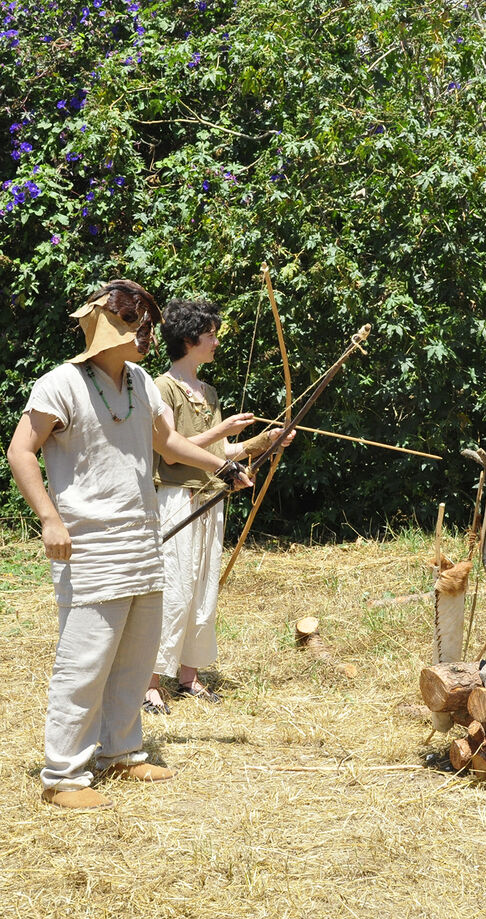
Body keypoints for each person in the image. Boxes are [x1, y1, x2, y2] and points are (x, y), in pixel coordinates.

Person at [7, 280, 252, 811]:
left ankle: (121, 751)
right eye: (134, 325)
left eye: (147, 325)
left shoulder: (142, 381)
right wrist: (49, 517)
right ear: (105, 329)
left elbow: (168, 443)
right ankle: (64, 774)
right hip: (90, 543)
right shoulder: (60, 385)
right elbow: (20, 451)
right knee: (86, 659)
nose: (146, 335)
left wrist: (222, 466)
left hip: (143, 539)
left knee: (137, 655)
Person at [144, 298, 295, 713]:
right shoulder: (162, 388)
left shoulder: (207, 391)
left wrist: (264, 442)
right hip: (176, 497)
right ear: (190, 339)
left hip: (210, 497)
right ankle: (150, 683)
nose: (215, 341)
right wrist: (223, 431)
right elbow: (172, 451)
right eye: (210, 335)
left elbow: (223, 450)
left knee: (203, 587)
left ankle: (188, 676)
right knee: (173, 587)